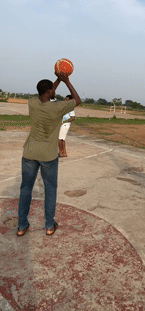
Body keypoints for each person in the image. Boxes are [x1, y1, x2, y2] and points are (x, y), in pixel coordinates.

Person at [17, 72, 81, 237]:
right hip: (48, 156)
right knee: (50, 189)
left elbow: (46, 92)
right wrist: (66, 81)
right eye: (52, 89)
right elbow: (77, 100)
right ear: (50, 93)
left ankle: (22, 226)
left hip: (30, 153)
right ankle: (49, 226)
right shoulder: (58, 107)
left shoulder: (32, 103)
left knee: (25, 189)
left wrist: (56, 81)